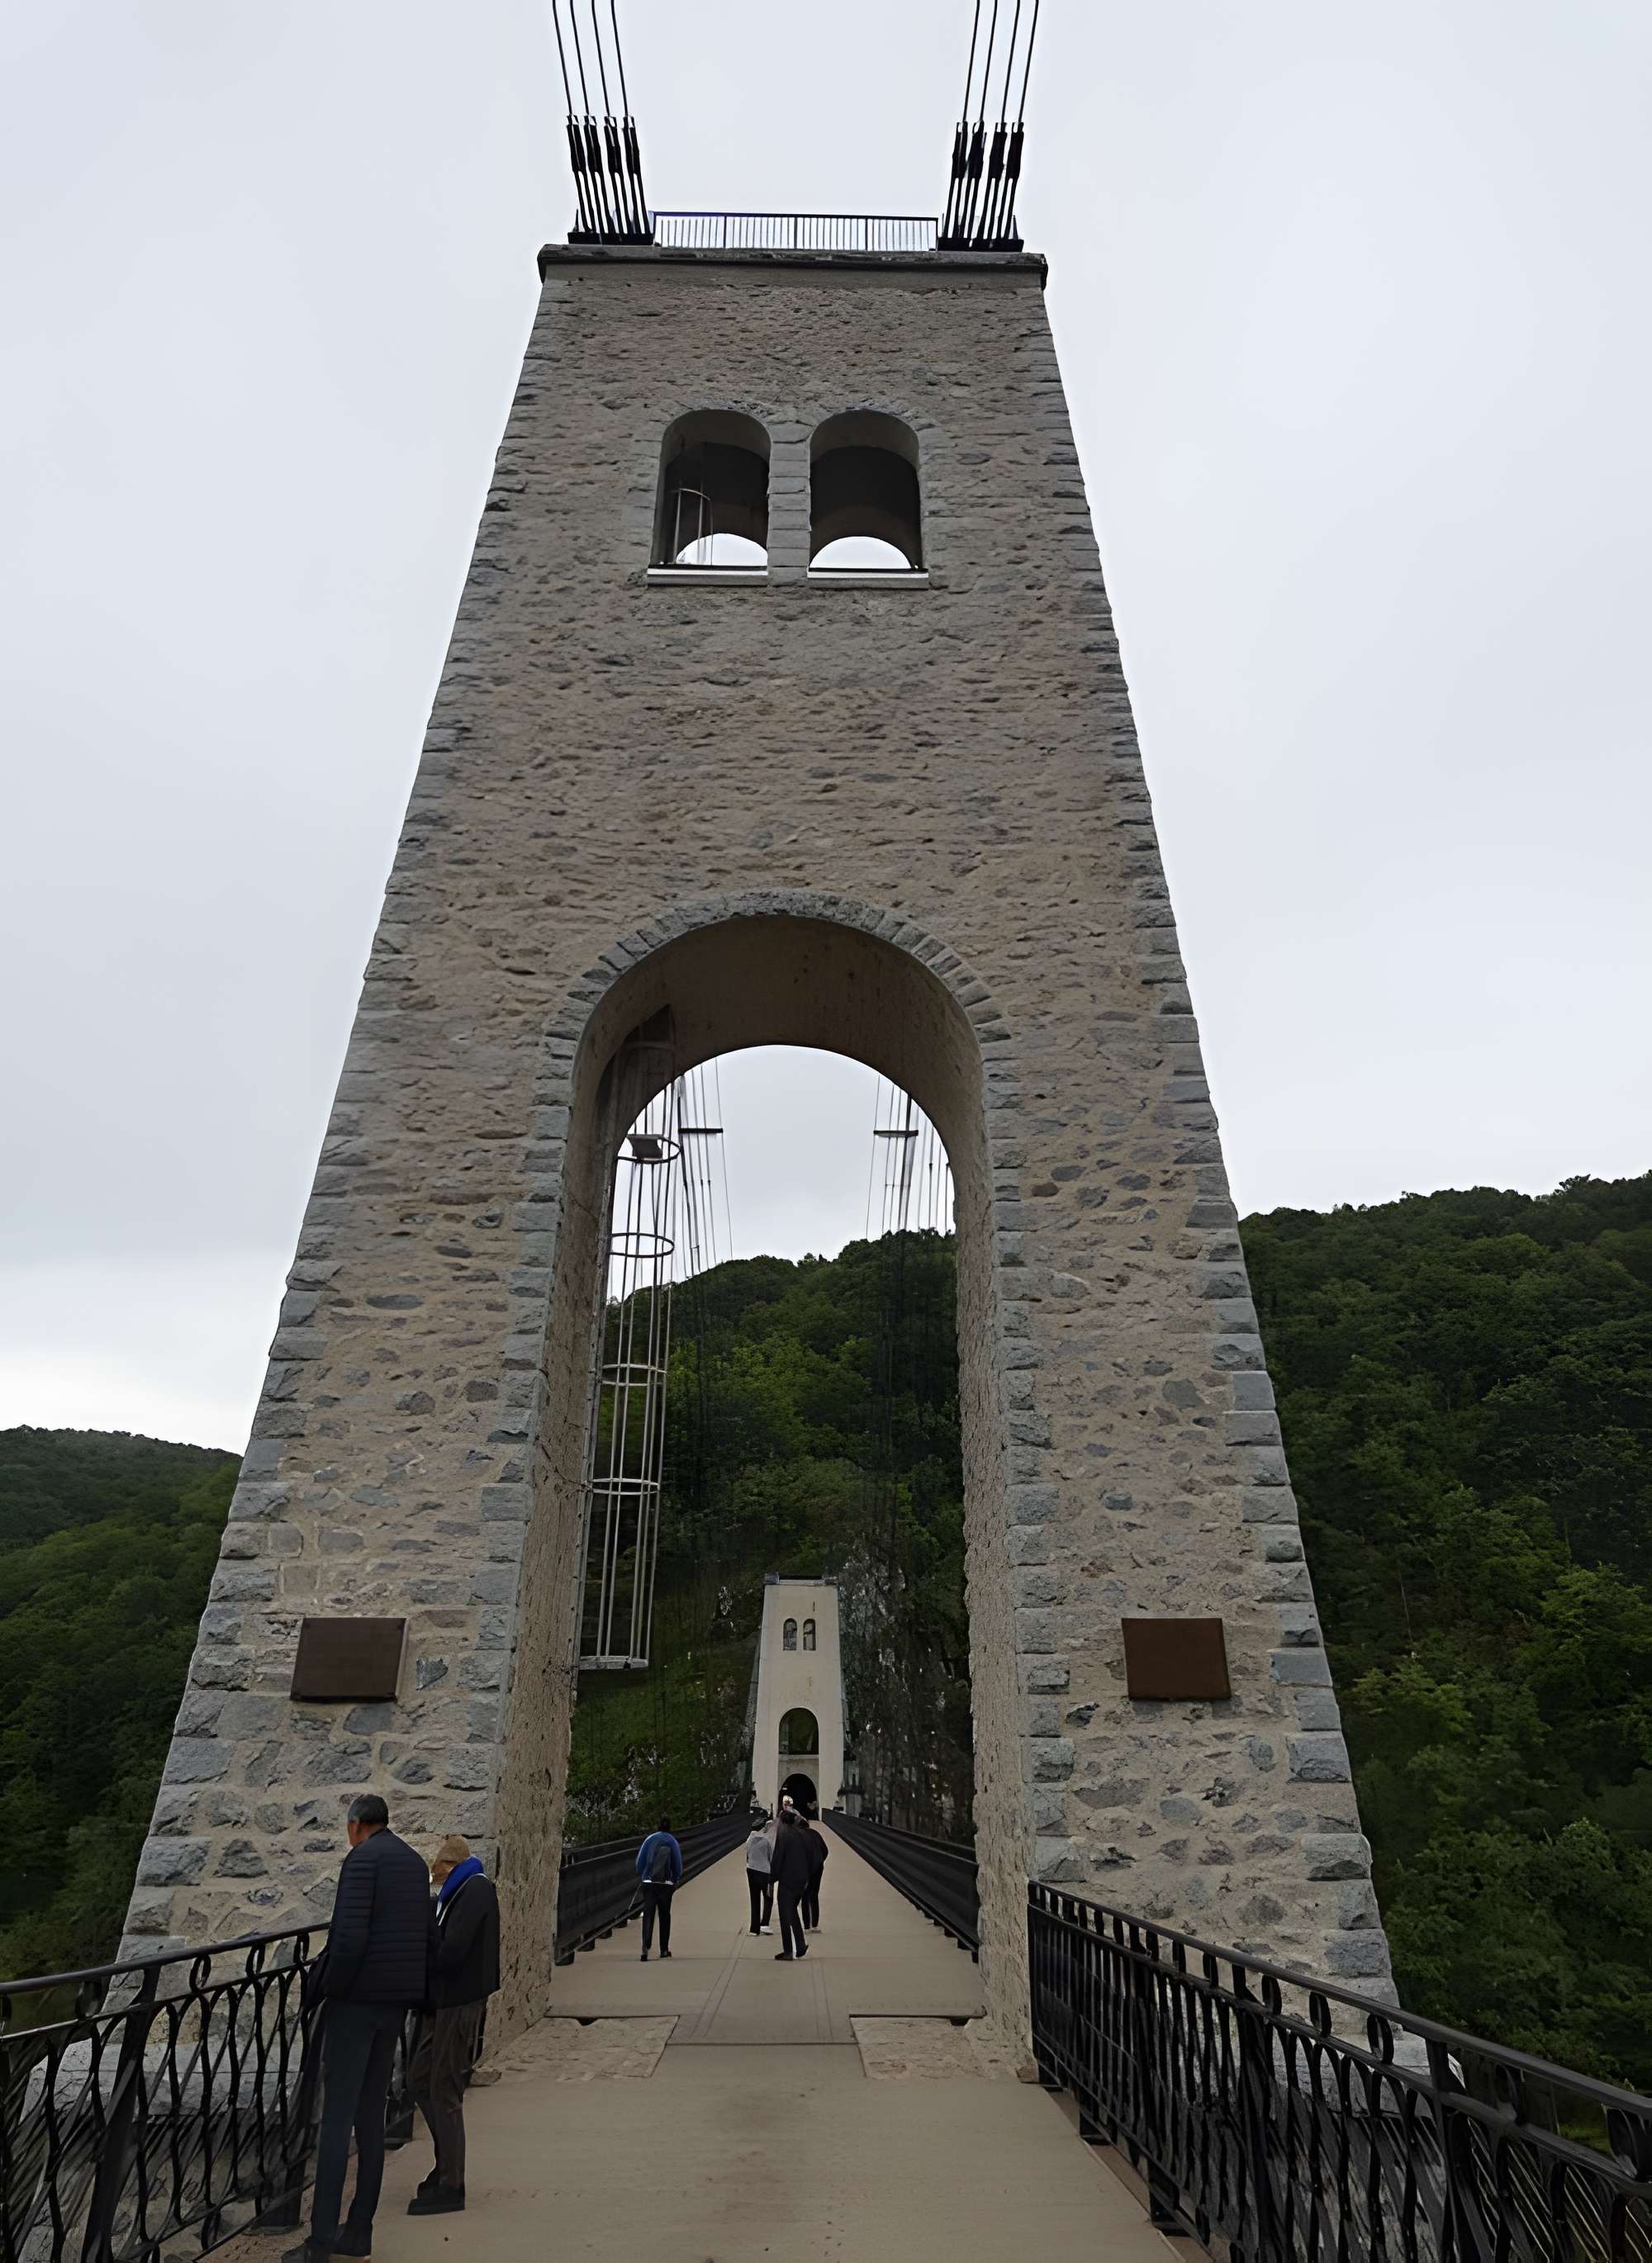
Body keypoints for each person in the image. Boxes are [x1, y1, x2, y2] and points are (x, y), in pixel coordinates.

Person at [285, 1793, 433, 2263]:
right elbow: (424, 1934)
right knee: (371, 2116)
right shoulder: (413, 1864)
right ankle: (360, 2229)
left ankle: (320, 2241)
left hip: (357, 2003)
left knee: (336, 2121)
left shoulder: (361, 1861)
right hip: (394, 2004)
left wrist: (330, 1988)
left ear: (355, 1825)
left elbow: (348, 1939)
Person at [408, 1834, 501, 2218]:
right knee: (420, 2078)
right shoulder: (459, 1893)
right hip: (444, 2003)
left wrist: (425, 1934)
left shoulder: (475, 1891)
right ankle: (445, 2161)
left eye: (439, 1873)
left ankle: (452, 2183)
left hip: (460, 2002)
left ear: (450, 1867)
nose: (437, 1880)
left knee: (445, 2087)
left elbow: (451, 1952)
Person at [635, 1815, 681, 1961]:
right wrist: (674, 1880)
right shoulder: (672, 1841)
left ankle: (645, 1949)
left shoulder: (649, 1840)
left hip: (649, 1883)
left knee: (648, 1914)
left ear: (658, 1826)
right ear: (670, 1827)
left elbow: (639, 1863)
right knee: (664, 1915)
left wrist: (645, 1875)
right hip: (666, 1885)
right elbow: (678, 1866)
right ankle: (664, 1949)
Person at [771, 1809, 812, 1962]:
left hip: (788, 1880)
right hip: (801, 1879)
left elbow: (777, 1858)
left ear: (781, 1822)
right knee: (792, 1910)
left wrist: (771, 1881)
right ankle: (800, 1945)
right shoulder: (800, 1834)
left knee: (784, 1913)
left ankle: (788, 1951)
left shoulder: (783, 1835)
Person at [743, 1811, 774, 1935]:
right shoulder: (767, 1841)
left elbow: (747, 1856)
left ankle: (754, 1929)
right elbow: (771, 1857)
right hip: (765, 1872)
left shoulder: (749, 1840)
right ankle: (765, 1924)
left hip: (751, 1870)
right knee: (768, 1898)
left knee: (754, 1899)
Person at [800, 1813, 828, 1933]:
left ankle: (807, 1926)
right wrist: (820, 1861)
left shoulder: (800, 1835)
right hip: (818, 1868)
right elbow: (825, 1850)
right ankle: (815, 1925)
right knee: (814, 1895)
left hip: (806, 1869)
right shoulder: (816, 1834)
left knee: (804, 1896)